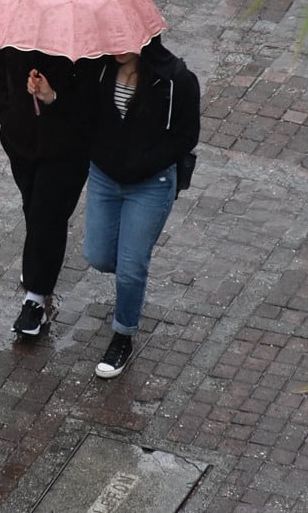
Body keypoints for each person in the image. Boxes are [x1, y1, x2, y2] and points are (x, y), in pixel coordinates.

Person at [82, 35, 200, 377]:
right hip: (104, 177)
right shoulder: (99, 70)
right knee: (100, 256)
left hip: (151, 184)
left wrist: (142, 162)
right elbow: (83, 115)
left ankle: (123, 334)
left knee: (132, 267)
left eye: (124, 37)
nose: (115, 45)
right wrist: (50, 96)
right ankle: (129, 286)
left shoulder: (177, 80)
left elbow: (186, 136)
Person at [0, 40, 96, 336]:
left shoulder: (81, 40)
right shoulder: (9, 28)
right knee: (34, 207)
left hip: (68, 148)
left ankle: (35, 298)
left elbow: (90, 101)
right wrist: (6, 115)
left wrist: (52, 96)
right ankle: (38, 261)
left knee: (48, 213)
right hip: (21, 142)